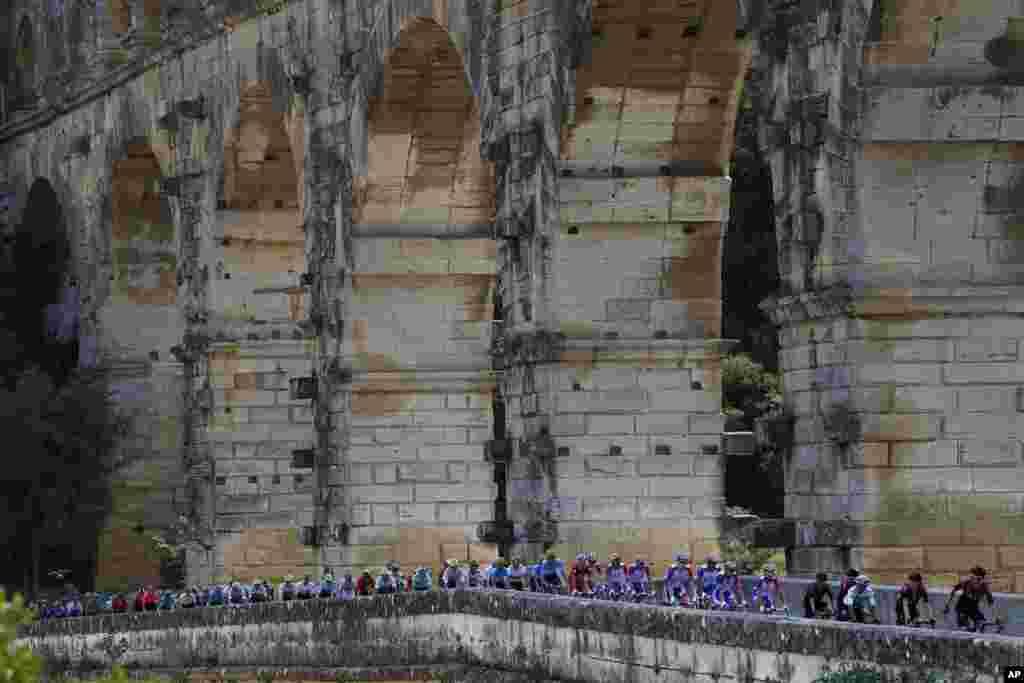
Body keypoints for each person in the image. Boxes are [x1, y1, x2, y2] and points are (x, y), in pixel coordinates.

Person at [944, 565, 995, 631]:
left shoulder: (984, 587)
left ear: (982, 579)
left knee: (981, 623)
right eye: (971, 578)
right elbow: (953, 591)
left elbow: (990, 602)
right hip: (962, 607)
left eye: (978, 579)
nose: (974, 581)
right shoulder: (966, 583)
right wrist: (947, 605)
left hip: (973, 608)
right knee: (964, 626)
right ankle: (966, 629)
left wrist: (996, 617)